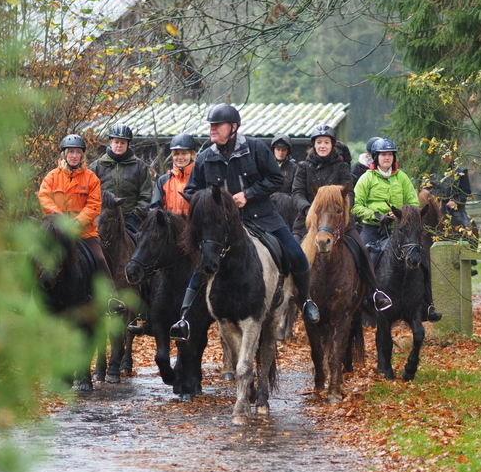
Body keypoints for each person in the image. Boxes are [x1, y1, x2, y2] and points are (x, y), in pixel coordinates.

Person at [169, 104, 320, 342]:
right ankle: (184, 316)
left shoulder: (256, 148)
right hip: (222, 226)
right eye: (210, 125)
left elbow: (275, 179)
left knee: (297, 255)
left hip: (261, 216)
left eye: (217, 125)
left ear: (233, 127)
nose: (212, 129)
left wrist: (247, 194)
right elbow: (191, 191)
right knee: (202, 264)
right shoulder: (206, 156)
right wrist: (210, 202)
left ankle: (307, 299)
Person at [291, 125, 392, 313]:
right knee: (290, 253)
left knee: (362, 250)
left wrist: (342, 209)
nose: (323, 146)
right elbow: (296, 193)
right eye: (319, 142)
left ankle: (375, 292)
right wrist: (309, 210)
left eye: (326, 142)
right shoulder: (303, 167)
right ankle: (287, 296)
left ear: (332, 145)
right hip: (308, 221)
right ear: (314, 145)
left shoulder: (341, 167)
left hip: (338, 222)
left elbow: (350, 194)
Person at [352, 137, 442, 322]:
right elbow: (356, 206)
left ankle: (428, 303)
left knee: (422, 258)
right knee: (361, 257)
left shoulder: (402, 177)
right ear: (376, 157)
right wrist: (377, 215)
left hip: (400, 229)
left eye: (390, 154)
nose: (387, 158)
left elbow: (414, 203)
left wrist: (402, 214)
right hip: (372, 228)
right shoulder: (366, 178)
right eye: (384, 154)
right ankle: (358, 300)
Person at [37, 134, 121, 307]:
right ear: (64, 154)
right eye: (71, 152)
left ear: (82, 155)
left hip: (84, 231)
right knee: (33, 252)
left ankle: (111, 298)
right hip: (56, 231)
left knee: (99, 258)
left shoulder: (91, 178)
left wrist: (78, 221)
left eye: (77, 152)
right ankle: (26, 293)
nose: (74, 155)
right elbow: (44, 197)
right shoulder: (52, 177)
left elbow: (94, 204)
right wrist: (59, 220)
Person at [89, 124, 152, 233]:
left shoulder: (140, 167)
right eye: (116, 142)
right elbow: (89, 193)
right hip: (103, 218)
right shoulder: (96, 167)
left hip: (131, 219)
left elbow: (146, 194)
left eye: (123, 143)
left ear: (128, 144)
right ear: (110, 143)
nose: (119, 145)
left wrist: (137, 214)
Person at [150, 133, 197, 216]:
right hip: (169, 226)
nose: (180, 157)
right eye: (177, 154)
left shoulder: (198, 178)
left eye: (184, 153)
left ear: (192, 154)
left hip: (193, 226)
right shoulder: (163, 180)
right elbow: (155, 208)